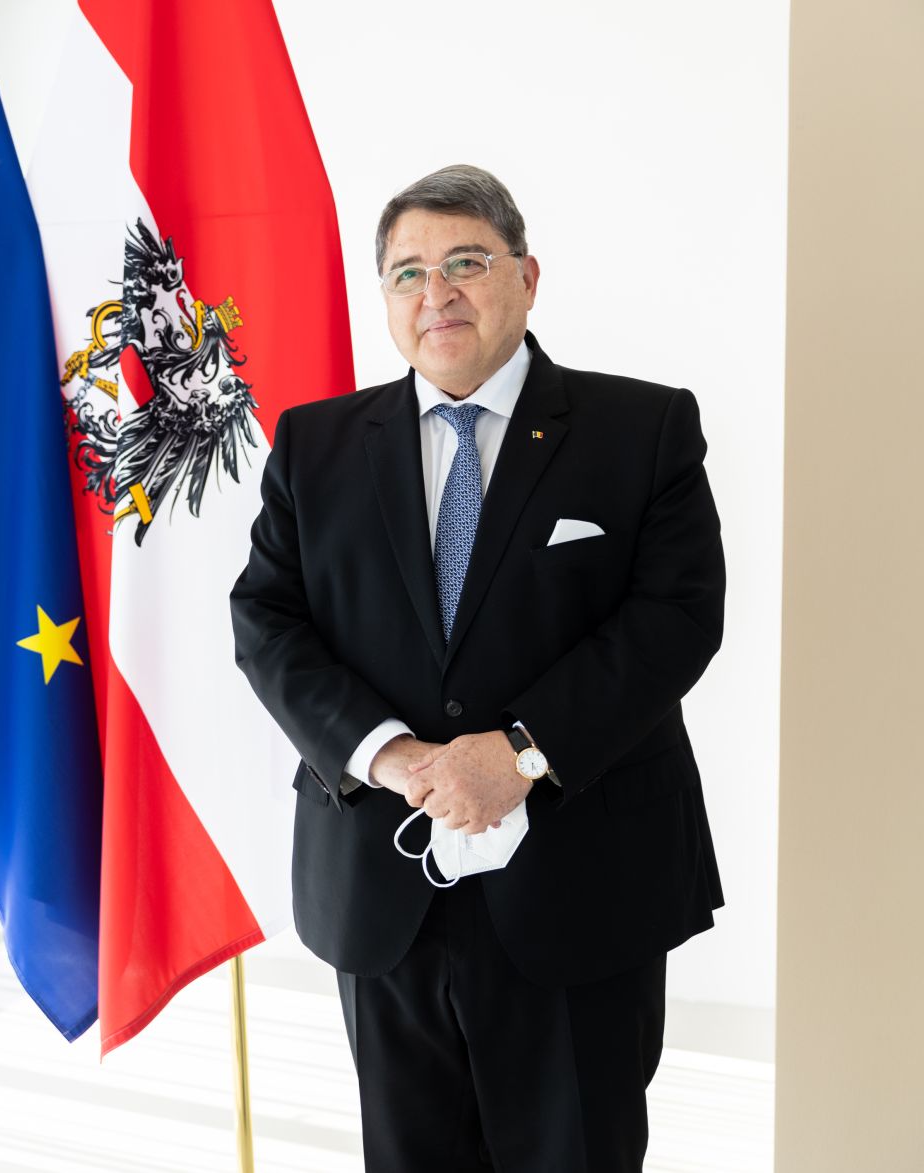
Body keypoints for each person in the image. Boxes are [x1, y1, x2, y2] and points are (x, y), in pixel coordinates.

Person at [231, 164, 724, 1171]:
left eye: (465, 262)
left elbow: (674, 620)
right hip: (382, 886)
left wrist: (519, 753)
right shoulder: (314, 445)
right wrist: (392, 756)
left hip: (580, 887)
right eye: (406, 272)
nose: (435, 293)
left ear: (525, 277)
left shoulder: (642, 429)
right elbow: (265, 619)